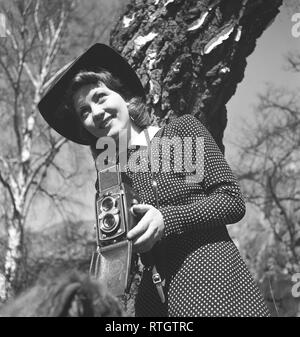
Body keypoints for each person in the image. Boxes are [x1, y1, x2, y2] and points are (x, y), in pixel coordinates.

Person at [38, 43, 271, 317]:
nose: (96, 113)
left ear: (124, 97)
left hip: (214, 281)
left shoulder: (179, 133)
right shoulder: (108, 178)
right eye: (85, 112)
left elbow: (230, 200)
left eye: (100, 97)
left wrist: (166, 219)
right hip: (154, 301)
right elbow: (117, 254)